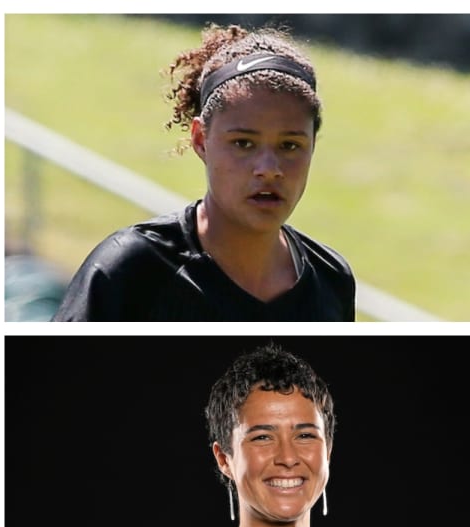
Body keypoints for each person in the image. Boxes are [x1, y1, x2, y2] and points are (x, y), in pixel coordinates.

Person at [93, 345, 452, 527]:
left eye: (305, 435)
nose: (287, 457)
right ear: (224, 459)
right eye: (262, 437)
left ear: (327, 450)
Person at [54, 25, 355, 321]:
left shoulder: (331, 280)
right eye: (243, 143)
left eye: (290, 145)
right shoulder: (129, 270)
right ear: (200, 140)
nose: (268, 170)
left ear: (313, 144)